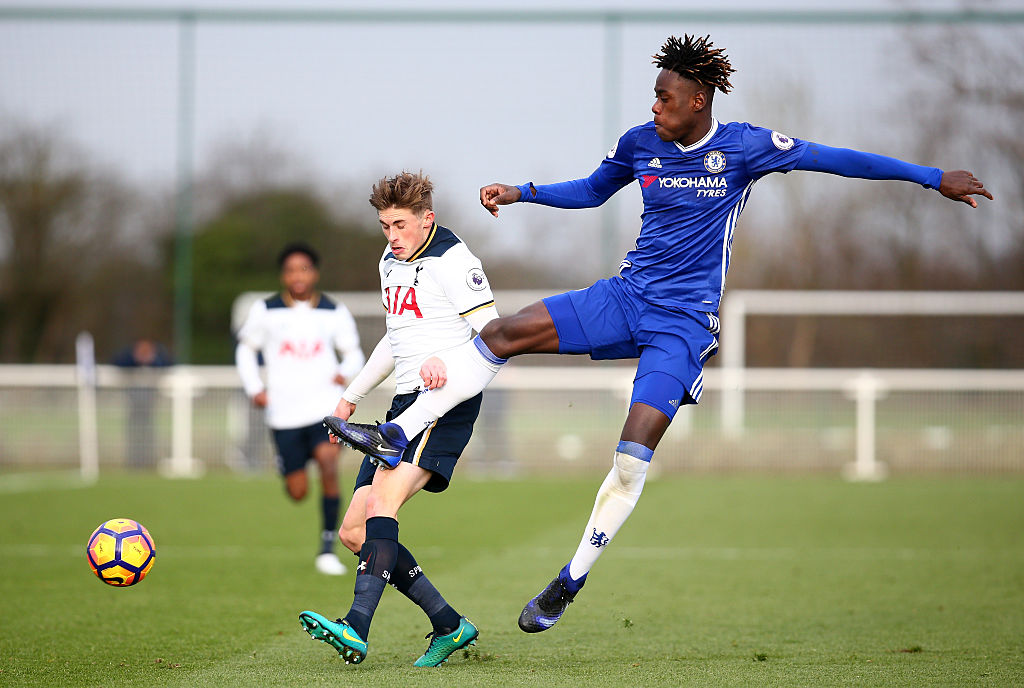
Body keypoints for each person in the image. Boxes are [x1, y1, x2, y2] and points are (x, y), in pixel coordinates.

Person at [329, 35, 993, 633]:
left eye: (665, 97)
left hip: (683, 324)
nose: (655, 107)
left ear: (698, 99)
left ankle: (569, 581)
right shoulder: (639, 145)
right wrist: (522, 190)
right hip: (626, 298)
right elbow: (592, 191)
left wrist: (933, 178)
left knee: (630, 456)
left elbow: (837, 159)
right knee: (503, 332)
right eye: (654, 97)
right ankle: (398, 429)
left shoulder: (745, 147)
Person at [298, 171, 496, 667]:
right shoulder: (390, 259)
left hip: (444, 404)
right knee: (353, 532)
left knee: (383, 501)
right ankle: (450, 625)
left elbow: (495, 336)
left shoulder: (454, 261)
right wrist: (351, 396)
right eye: (385, 225)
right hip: (400, 408)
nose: (392, 235)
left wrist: (447, 365)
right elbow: (397, 339)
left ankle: (355, 626)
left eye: (401, 225)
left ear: (427, 219)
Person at [235, 241, 365, 576]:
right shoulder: (266, 310)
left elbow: (354, 353)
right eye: (291, 269)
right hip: (284, 415)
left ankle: (326, 549)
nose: (298, 275)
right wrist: (255, 388)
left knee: (327, 462)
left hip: (324, 410)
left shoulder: (333, 311)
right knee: (297, 491)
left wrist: (345, 370)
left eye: (304, 268)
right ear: (283, 275)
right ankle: (289, 466)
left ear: (315, 272)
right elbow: (246, 350)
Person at [112, 338, 174, 469]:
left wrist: (152, 359)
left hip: (150, 409)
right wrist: (135, 358)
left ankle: (149, 461)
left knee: (149, 435)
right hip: (133, 408)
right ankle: (134, 462)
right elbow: (117, 363)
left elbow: (169, 365)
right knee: (133, 436)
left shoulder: (158, 360)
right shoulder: (128, 360)